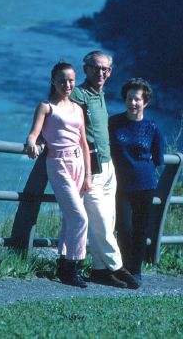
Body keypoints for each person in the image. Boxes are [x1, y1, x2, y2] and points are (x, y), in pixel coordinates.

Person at [70, 50, 140, 289]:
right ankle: (119, 267)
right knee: (99, 221)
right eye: (96, 67)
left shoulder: (99, 94)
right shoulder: (78, 94)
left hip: (108, 167)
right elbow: (58, 113)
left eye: (106, 69)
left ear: (110, 72)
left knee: (108, 222)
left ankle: (100, 270)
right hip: (92, 168)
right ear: (86, 68)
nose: (101, 72)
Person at [26, 62, 92, 288]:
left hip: (79, 162)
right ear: (53, 81)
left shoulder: (77, 108)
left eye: (71, 80)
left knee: (70, 218)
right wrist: (33, 145)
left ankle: (64, 264)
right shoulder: (46, 107)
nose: (67, 84)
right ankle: (72, 267)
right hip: (58, 162)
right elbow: (33, 135)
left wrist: (88, 175)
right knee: (79, 217)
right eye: (62, 80)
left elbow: (84, 143)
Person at [109, 78, 164, 286]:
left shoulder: (152, 127)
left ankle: (136, 270)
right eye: (130, 98)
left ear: (145, 103)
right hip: (119, 185)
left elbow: (159, 157)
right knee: (124, 227)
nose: (133, 103)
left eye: (137, 99)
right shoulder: (113, 123)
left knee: (141, 229)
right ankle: (122, 269)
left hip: (145, 185)